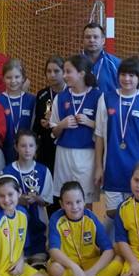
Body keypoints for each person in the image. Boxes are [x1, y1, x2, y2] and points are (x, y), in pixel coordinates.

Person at [95, 57, 139, 217]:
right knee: (113, 215)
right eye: (123, 74)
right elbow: (99, 136)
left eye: (131, 75)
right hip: (112, 167)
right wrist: (98, 167)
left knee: (135, 214)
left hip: (138, 169)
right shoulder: (106, 99)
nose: (126, 79)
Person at [47, 181, 123, 276]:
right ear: (62, 204)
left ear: (84, 201)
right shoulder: (56, 219)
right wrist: (74, 267)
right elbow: (54, 251)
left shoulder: (91, 218)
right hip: (69, 266)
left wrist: (93, 271)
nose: (75, 207)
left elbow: (108, 250)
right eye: (69, 203)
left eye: (78, 202)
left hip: (90, 263)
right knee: (54, 268)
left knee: (119, 259)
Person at [50, 55, 101, 209]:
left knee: (85, 201)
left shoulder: (98, 97)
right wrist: (62, 125)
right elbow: (54, 132)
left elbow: (105, 130)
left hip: (87, 155)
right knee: (66, 199)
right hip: (63, 154)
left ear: (81, 73)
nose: (64, 76)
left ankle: (86, 225)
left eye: (68, 71)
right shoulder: (61, 98)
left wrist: (90, 122)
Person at [2, 129, 53, 263]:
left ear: (36, 147)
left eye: (31, 145)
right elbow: (1, 201)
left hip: (38, 227)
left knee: (38, 264)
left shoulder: (43, 171)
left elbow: (47, 201)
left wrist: (36, 199)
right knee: (18, 266)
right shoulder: (7, 171)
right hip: (14, 227)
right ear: (16, 147)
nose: (27, 150)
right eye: (23, 146)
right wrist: (18, 201)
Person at [0, 58, 36, 166]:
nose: (13, 81)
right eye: (9, 77)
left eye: (17, 77)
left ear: (23, 78)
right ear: (3, 78)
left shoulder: (32, 99)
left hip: (26, 150)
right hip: (3, 149)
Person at [33, 56, 65, 175]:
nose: (52, 75)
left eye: (56, 71)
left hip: (64, 143)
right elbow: (36, 126)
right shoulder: (42, 94)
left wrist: (56, 122)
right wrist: (43, 124)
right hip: (47, 146)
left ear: (64, 72)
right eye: (49, 71)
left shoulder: (70, 93)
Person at [81, 22, 120, 93]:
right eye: (88, 37)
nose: (92, 40)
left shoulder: (116, 64)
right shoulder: (73, 64)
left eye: (95, 37)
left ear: (103, 40)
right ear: (83, 40)